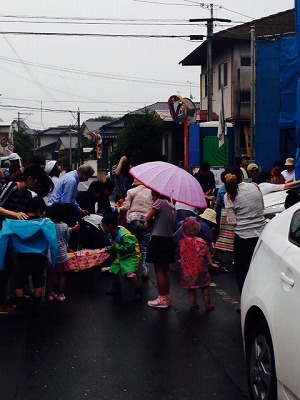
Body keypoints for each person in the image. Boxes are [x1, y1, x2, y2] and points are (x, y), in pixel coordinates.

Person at [0, 164, 54, 314]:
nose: (37, 187)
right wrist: (14, 214)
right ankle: (2, 301)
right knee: (5, 267)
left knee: (14, 267)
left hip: (14, 237)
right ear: (30, 179)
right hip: (3, 234)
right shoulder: (12, 187)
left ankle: (13, 298)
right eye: (36, 183)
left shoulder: (29, 196)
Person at [224, 166, 266, 298]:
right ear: (241, 176)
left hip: (242, 237)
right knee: (259, 268)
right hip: (261, 234)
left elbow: (232, 221)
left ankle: (245, 300)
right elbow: (262, 208)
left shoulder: (229, 195)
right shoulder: (255, 187)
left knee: (242, 270)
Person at [145, 190, 176, 308]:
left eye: (152, 196)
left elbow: (148, 218)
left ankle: (162, 298)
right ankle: (166, 297)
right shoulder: (171, 205)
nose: (152, 199)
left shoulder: (159, 202)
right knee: (164, 270)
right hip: (168, 239)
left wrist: (148, 222)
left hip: (158, 239)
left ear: (157, 195)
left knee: (159, 270)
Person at [117, 179, 153, 280]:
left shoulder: (131, 191)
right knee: (145, 246)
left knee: (133, 245)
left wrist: (119, 209)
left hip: (133, 220)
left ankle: (131, 269)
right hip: (147, 220)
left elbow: (126, 207)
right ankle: (145, 269)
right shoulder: (152, 192)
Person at [102, 213, 142, 301]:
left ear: (110, 226)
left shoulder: (124, 235)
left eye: (104, 226)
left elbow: (129, 247)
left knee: (130, 274)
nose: (103, 228)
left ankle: (138, 292)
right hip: (122, 256)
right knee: (113, 271)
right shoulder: (112, 232)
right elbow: (114, 245)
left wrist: (115, 247)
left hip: (132, 256)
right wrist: (109, 248)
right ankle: (116, 289)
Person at [45, 203, 80, 303]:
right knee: (61, 274)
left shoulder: (48, 225)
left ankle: (50, 293)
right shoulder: (64, 226)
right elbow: (66, 239)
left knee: (50, 274)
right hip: (62, 254)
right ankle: (60, 293)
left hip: (51, 254)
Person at [179, 217, 215, 312]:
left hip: (187, 270)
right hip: (200, 269)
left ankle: (193, 305)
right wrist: (211, 263)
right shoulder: (200, 241)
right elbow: (206, 252)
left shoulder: (182, 242)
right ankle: (208, 304)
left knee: (191, 289)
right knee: (205, 287)